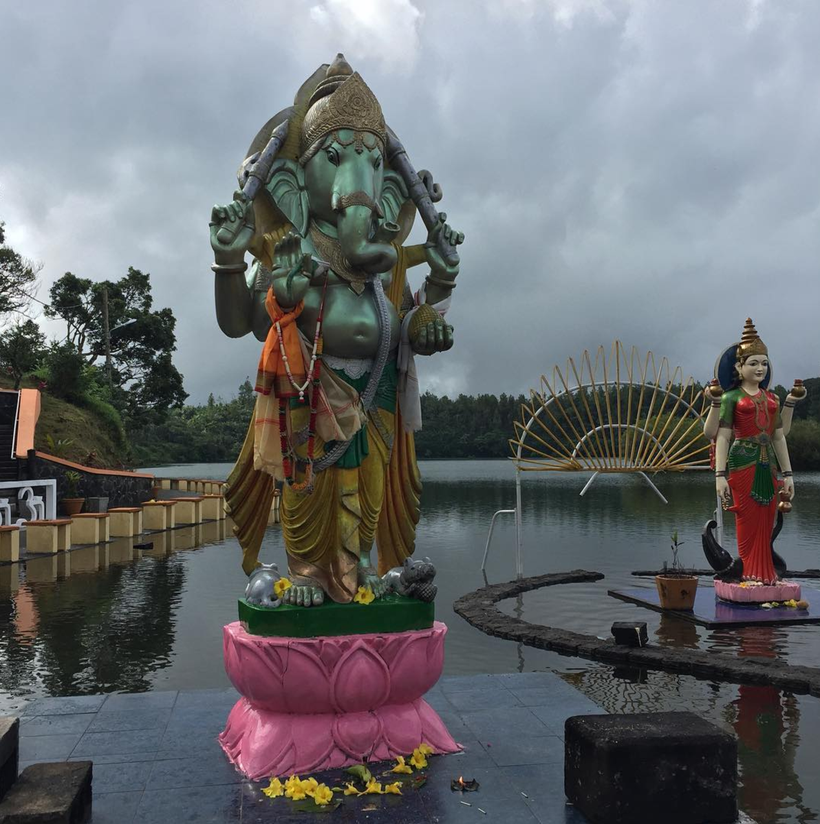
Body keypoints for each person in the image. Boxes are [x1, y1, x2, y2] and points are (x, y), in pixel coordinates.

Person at [713, 319, 795, 583]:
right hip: (741, 463)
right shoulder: (731, 397)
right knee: (746, 518)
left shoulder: (772, 399)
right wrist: (719, 474)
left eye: (763, 363)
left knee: (766, 518)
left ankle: (767, 573)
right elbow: (723, 436)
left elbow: (778, 437)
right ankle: (748, 572)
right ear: (739, 366)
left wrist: (789, 473)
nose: (760, 368)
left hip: (768, 465)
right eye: (753, 363)